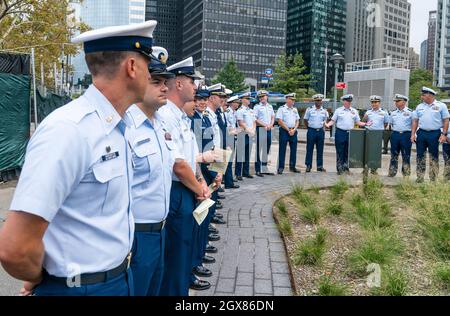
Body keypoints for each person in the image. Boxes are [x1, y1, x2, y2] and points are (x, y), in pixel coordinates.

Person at [0, 20, 158, 296]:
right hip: (80, 289)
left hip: (119, 279)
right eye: (148, 63)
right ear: (132, 67)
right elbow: (15, 248)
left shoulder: (116, 126)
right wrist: (45, 279)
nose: (152, 74)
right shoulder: (69, 130)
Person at [158, 57, 211, 295]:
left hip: (187, 189)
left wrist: (201, 181)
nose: (196, 87)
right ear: (178, 84)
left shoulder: (179, 116)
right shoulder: (167, 115)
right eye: (192, 81)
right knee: (176, 259)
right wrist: (199, 188)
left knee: (183, 252)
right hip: (177, 191)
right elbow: (178, 165)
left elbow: (191, 158)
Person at [126, 47, 175, 296]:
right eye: (156, 82)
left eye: (165, 82)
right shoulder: (126, 128)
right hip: (137, 237)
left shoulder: (159, 125)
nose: (165, 87)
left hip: (160, 231)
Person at [411, 87, 450, 183]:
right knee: (420, 155)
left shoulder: (441, 106)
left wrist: (444, 134)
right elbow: (415, 121)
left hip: (434, 133)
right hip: (422, 133)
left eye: (423, 95)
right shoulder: (419, 106)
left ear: (430, 95)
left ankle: (433, 177)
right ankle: (420, 177)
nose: (421, 96)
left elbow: (446, 120)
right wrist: (413, 134)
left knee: (434, 156)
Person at [324, 94, 369, 175]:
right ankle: (339, 168)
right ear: (343, 101)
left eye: (349, 101)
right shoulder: (338, 110)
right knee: (340, 151)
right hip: (340, 133)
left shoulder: (354, 111)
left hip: (350, 133)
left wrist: (366, 124)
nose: (348, 102)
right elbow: (333, 120)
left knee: (347, 152)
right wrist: (328, 124)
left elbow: (358, 122)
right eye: (346, 101)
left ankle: (346, 168)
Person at [363, 95, 389, 175]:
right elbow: (364, 122)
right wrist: (365, 118)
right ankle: (366, 168)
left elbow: (385, 123)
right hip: (369, 133)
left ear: (379, 103)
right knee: (367, 151)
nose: (374, 104)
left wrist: (379, 128)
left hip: (378, 133)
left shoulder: (384, 113)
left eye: (376, 102)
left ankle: (374, 169)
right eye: (372, 102)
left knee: (376, 152)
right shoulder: (368, 112)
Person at [388, 94, 413, 178]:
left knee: (406, 155)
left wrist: (413, 135)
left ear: (404, 102)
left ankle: (406, 173)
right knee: (394, 154)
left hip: (406, 135)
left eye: (398, 101)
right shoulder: (393, 113)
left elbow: (414, 124)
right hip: (395, 134)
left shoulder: (410, 112)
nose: (396, 102)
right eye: (396, 101)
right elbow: (390, 124)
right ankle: (392, 172)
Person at [276, 93, 301, 174]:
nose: (292, 101)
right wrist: (288, 130)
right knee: (282, 150)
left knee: (294, 150)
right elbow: (280, 121)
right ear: (286, 99)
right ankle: (280, 167)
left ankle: (292, 167)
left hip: (293, 131)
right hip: (284, 131)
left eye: (293, 100)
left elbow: (297, 121)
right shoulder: (281, 109)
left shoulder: (295, 109)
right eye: (291, 99)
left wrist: (294, 129)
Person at [304, 94, 328, 173]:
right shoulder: (309, 109)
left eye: (320, 101)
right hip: (311, 131)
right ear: (314, 101)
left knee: (320, 149)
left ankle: (319, 166)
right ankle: (308, 165)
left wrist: (323, 128)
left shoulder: (324, 110)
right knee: (309, 149)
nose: (319, 102)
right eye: (317, 101)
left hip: (320, 131)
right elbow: (305, 120)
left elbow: (325, 120)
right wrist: (310, 127)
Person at [235, 92, 256, 180]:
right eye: (247, 99)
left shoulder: (251, 110)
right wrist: (248, 130)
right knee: (240, 154)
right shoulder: (240, 110)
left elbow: (254, 121)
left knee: (248, 153)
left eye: (249, 99)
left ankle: (246, 172)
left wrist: (253, 130)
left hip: (250, 134)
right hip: (243, 134)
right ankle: (238, 173)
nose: (249, 100)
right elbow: (240, 122)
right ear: (242, 100)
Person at [254, 90, 275, 176]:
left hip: (269, 129)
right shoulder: (257, 107)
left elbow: (273, 117)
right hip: (261, 129)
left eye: (263, 96)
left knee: (266, 150)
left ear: (267, 97)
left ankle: (264, 168)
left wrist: (270, 125)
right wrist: (265, 125)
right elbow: (255, 119)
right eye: (260, 97)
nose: (262, 98)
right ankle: (258, 170)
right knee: (259, 150)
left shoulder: (270, 106)